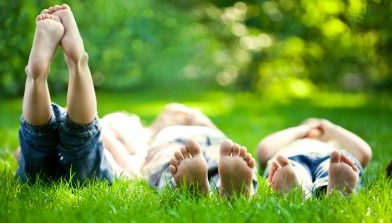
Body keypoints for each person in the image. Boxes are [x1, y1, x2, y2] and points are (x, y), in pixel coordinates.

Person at [18, 4, 256, 198]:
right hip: (89, 162)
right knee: (80, 133)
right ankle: (77, 62)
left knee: (38, 137)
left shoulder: (143, 139)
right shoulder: (141, 141)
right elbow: (129, 169)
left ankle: (37, 75)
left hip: (48, 158)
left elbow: (22, 151)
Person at [17, 4, 112, 183]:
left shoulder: (125, 127)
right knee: (41, 140)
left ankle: (47, 73)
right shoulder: (132, 129)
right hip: (89, 164)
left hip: (96, 140)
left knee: (79, 134)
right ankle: (77, 63)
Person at [101, 103, 257, 197]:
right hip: (206, 138)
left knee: (170, 165)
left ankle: (194, 191)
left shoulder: (152, 139)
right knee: (223, 157)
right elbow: (132, 169)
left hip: (191, 139)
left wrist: (197, 118)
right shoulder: (146, 142)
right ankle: (234, 190)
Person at [256, 118, 372, 197]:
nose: (315, 128)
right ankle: (295, 188)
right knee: (291, 171)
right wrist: (301, 130)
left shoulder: (333, 147)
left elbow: (364, 154)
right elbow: (264, 150)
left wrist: (331, 129)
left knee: (334, 168)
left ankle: (336, 189)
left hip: (329, 159)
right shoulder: (291, 143)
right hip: (291, 158)